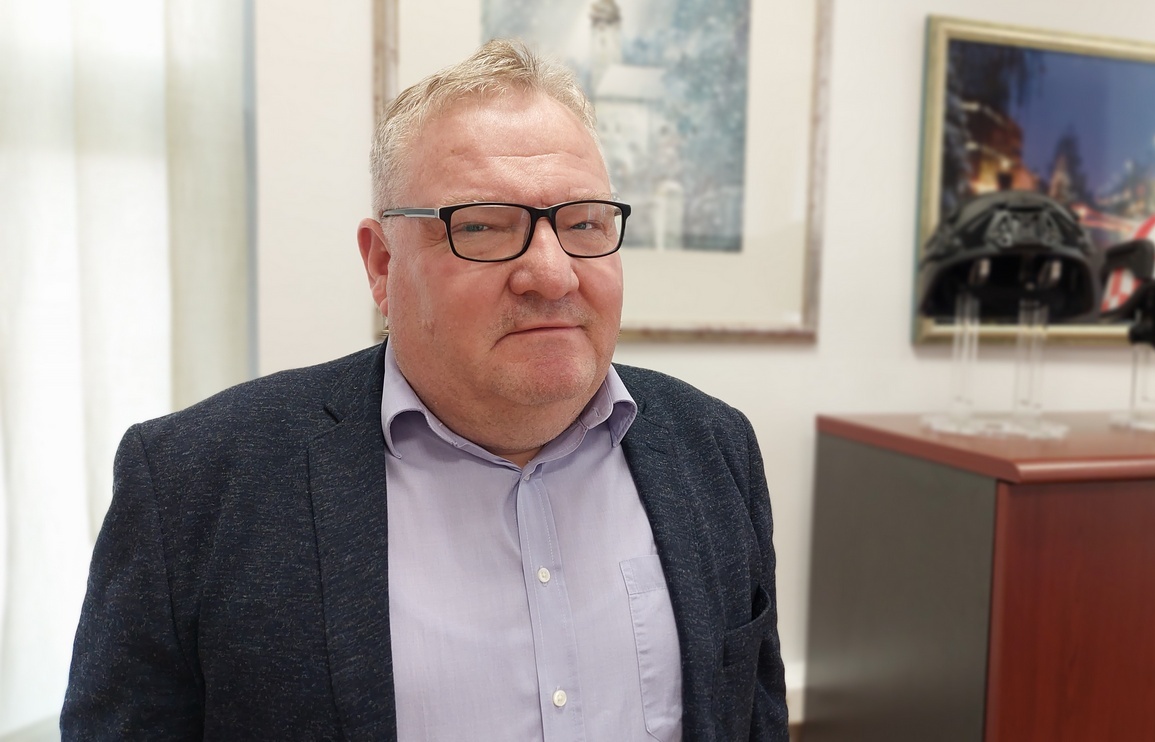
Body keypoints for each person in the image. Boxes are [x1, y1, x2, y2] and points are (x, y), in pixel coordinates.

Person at [61, 39, 787, 741]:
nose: (553, 273)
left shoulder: (715, 451)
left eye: (585, 223)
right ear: (382, 265)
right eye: (484, 227)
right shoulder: (193, 486)